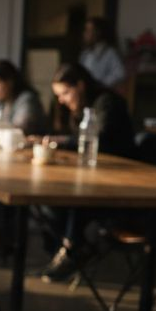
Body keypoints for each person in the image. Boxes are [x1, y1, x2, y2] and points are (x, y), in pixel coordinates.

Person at [40, 63, 139, 282]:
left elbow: (98, 141)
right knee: (48, 199)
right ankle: (71, 249)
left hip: (121, 180)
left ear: (81, 85)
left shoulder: (107, 103)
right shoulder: (78, 109)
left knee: (72, 197)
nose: (62, 100)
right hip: (98, 174)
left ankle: (72, 250)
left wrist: (61, 142)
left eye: (65, 92)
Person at [79, 16, 125, 89]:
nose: (85, 34)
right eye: (85, 30)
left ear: (98, 32)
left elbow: (119, 74)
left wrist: (101, 85)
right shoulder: (85, 54)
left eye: (88, 30)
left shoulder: (109, 53)